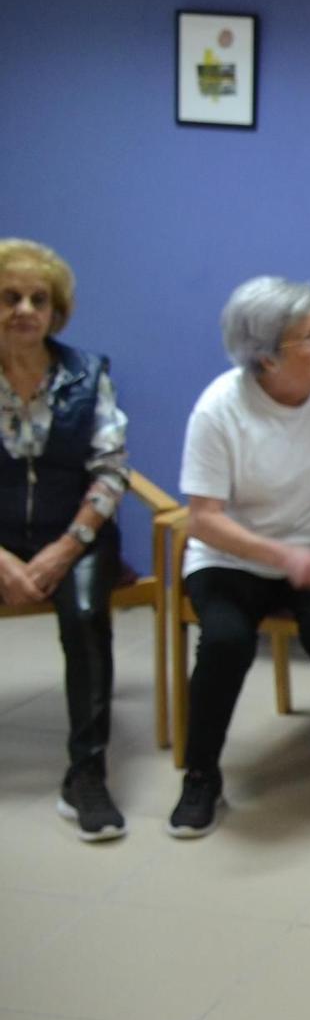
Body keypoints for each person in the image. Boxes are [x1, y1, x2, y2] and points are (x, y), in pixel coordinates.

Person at [172, 277, 310, 838]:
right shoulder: (219, 408)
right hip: (234, 555)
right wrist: (281, 555)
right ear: (266, 358)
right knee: (224, 641)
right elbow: (204, 518)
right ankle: (200, 776)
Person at [0, 239, 131, 842]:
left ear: (57, 311)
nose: (25, 309)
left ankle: (86, 774)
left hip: (74, 535)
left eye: (38, 299)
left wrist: (63, 548)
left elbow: (110, 470)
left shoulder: (87, 373)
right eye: (10, 297)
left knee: (83, 615)